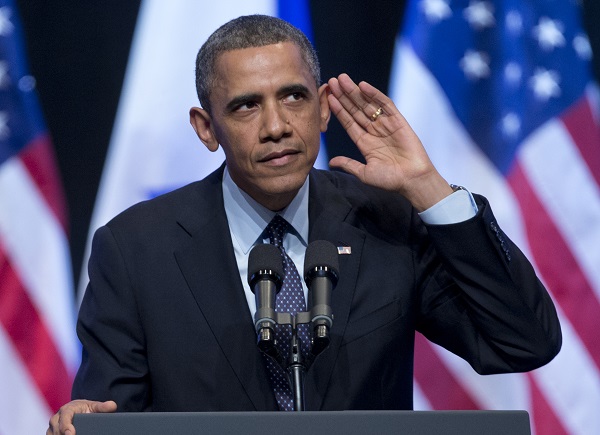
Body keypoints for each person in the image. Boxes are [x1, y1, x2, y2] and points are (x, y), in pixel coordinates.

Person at [48, 14, 561, 434]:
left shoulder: (386, 221)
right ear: (207, 128)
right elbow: (107, 417)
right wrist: (81, 423)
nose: (276, 127)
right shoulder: (136, 248)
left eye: (294, 97)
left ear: (321, 110)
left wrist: (429, 189)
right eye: (247, 106)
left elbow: (523, 341)